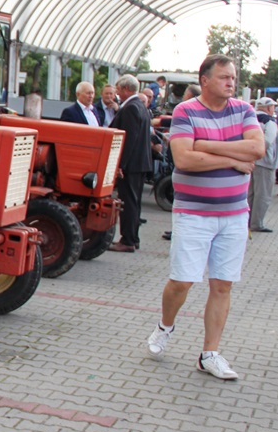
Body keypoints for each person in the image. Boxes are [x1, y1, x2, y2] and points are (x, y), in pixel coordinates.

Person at [146, 54, 262, 380]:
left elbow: (257, 150)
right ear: (205, 80)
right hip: (194, 213)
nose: (231, 83)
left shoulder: (244, 110)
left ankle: (209, 354)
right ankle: (165, 326)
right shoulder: (186, 111)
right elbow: (184, 160)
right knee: (182, 281)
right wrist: (234, 157)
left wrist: (207, 146)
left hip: (234, 214)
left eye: (233, 77)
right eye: (224, 77)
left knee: (222, 285)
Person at [108, 74, 153, 253]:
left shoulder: (131, 108)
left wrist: (121, 164)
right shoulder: (140, 106)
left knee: (128, 202)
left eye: (118, 89)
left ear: (126, 89)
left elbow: (129, 139)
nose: (117, 93)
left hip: (132, 165)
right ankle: (133, 238)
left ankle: (127, 240)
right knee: (134, 202)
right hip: (139, 164)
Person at [249, 97, 278, 232]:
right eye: (273, 107)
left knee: (250, 193)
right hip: (265, 162)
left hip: (250, 160)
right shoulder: (269, 122)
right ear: (268, 108)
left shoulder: (250, 118)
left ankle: (247, 220)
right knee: (263, 194)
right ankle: (257, 223)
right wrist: (259, 152)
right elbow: (268, 140)